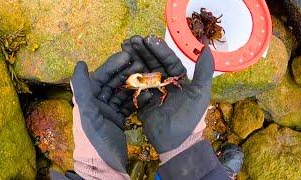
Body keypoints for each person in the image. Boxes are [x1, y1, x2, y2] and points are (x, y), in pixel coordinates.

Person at [51, 35, 243, 180]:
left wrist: (97, 172)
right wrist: (191, 160)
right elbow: (138, 89)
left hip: (158, 83)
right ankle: (216, 172)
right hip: (148, 85)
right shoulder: (135, 86)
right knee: (138, 93)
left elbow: (169, 81)